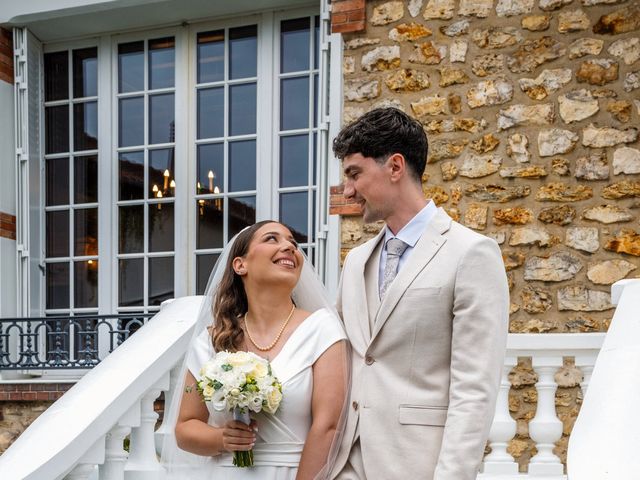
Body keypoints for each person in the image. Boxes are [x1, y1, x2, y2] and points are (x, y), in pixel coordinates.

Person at [329, 107, 509, 480]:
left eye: (354, 174)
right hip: (345, 464)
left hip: (417, 465)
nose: (347, 190)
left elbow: (474, 390)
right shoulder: (356, 261)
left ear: (395, 167)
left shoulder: (470, 253)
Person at [164, 221, 349, 480]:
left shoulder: (322, 329)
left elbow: (329, 427)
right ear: (240, 265)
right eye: (272, 239)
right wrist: (222, 438)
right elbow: (185, 428)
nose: (289, 247)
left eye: (293, 243)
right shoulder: (212, 340)